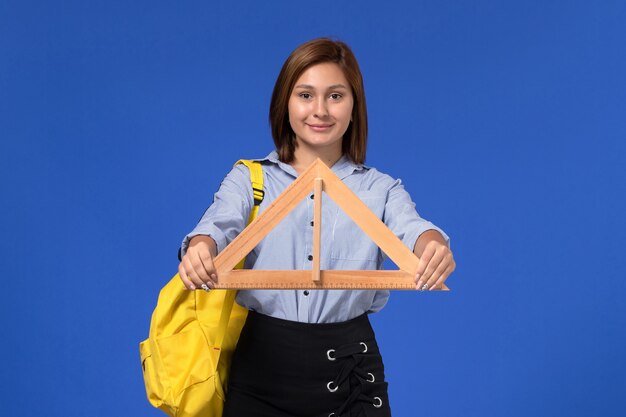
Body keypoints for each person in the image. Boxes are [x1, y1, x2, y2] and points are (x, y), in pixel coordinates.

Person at [177, 38, 456, 417]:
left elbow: (416, 229)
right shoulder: (249, 179)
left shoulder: (380, 189)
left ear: (354, 106)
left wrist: (433, 245)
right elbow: (215, 226)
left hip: (352, 371)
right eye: (305, 95)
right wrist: (201, 248)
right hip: (261, 372)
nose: (320, 110)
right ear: (285, 104)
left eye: (336, 96)